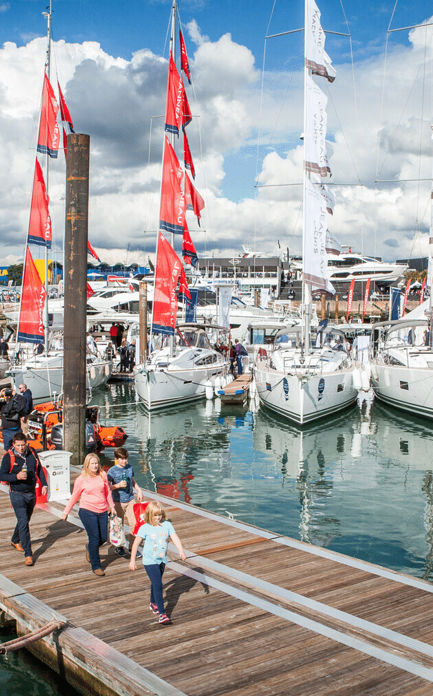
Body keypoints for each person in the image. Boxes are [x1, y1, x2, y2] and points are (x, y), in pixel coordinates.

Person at [129, 500, 186, 624]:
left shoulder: (167, 525)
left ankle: (153, 603)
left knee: (155, 583)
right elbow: (136, 543)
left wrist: (181, 551)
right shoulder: (145, 528)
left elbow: (175, 538)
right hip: (149, 561)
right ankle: (162, 614)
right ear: (149, 515)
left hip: (161, 560)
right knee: (158, 585)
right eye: (155, 515)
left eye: (159, 514)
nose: (158, 517)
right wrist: (132, 560)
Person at [62, 453, 116, 577]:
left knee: (103, 538)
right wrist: (66, 512)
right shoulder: (81, 479)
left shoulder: (102, 475)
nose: (95, 466)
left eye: (96, 463)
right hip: (87, 510)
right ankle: (96, 566)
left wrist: (112, 506)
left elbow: (107, 492)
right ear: (87, 464)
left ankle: (90, 548)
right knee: (94, 537)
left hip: (102, 510)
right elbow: (74, 496)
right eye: (92, 463)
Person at [0, 432, 48, 565]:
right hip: (17, 493)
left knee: (25, 520)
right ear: (13, 444)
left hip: (31, 492)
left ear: (26, 443)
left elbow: (39, 469)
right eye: (18, 445)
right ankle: (28, 554)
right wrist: (16, 477)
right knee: (23, 521)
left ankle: (15, 539)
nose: (21, 448)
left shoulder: (32, 452)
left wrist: (44, 484)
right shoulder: (8, 457)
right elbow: (2, 475)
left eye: (23, 445)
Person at [107, 447, 143, 557]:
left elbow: (132, 482)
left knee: (135, 524)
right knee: (119, 525)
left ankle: (132, 548)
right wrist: (117, 486)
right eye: (122, 459)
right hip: (118, 502)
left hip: (130, 499)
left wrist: (139, 490)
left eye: (126, 458)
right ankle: (119, 547)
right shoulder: (111, 471)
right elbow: (107, 487)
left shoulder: (129, 468)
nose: (124, 461)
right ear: (116, 459)